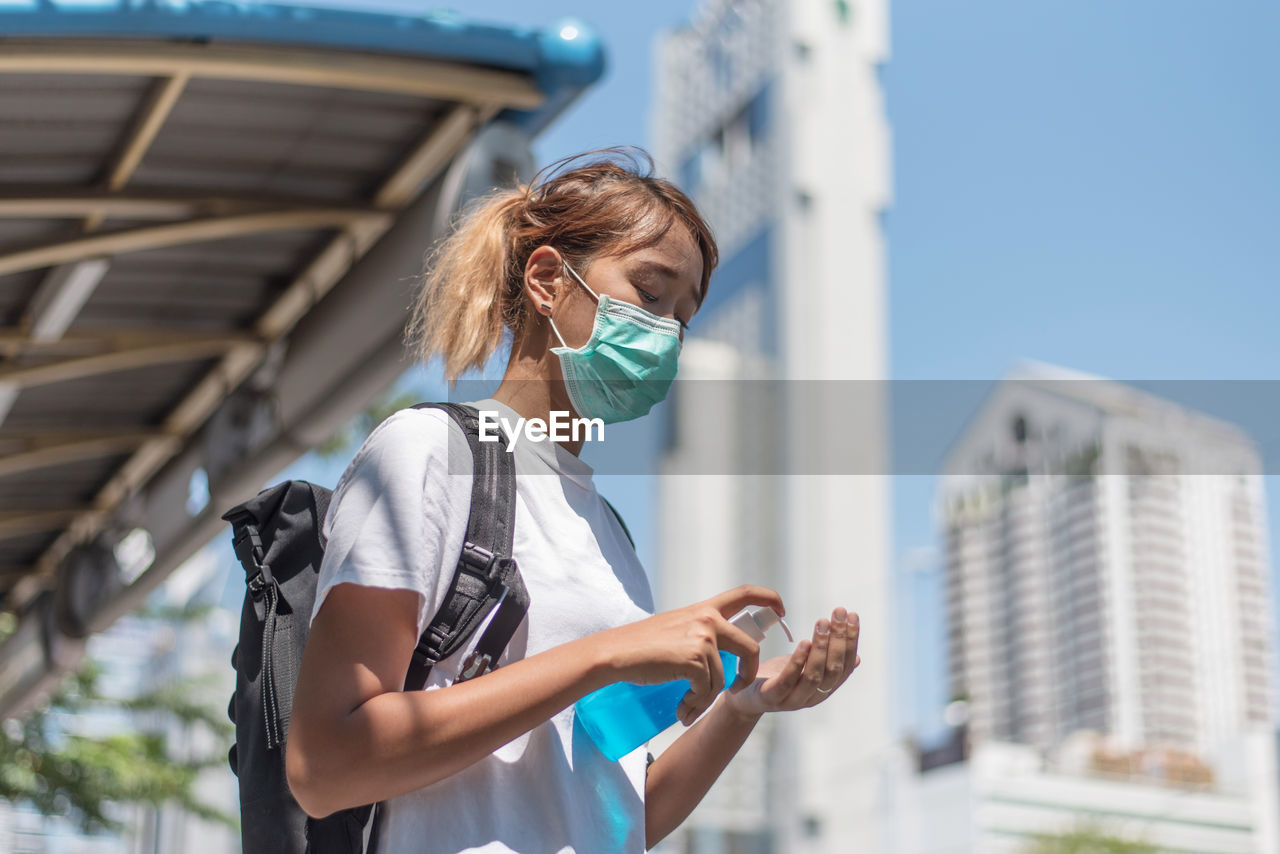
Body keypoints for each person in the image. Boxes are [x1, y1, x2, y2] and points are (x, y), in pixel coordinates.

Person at [285, 148, 861, 853]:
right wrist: (606, 655)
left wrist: (745, 704)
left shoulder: (608, 532)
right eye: (651, 293)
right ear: (549, 279)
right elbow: (326, 766)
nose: (666, 338)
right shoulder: (429, 453)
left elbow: (615, 809)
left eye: (683, 319)